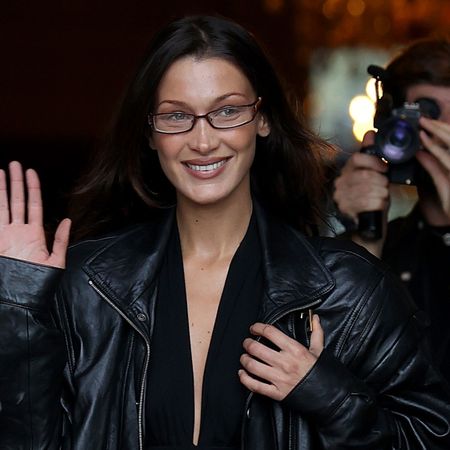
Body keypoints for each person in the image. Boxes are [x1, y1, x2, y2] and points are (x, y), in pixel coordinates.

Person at [1, 15, 449, 450]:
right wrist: (18, 311)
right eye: (177, 117)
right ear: (150, 133)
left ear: (263, 119)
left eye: (228, 111)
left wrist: (327, 395)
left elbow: (430, 437)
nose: (203, 141)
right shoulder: (89, 284)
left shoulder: (349, 289)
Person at [333, 38, 450, 382]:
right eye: (427, 115)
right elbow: (339, 369)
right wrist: (361, 244)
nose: (442, 135)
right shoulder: (387, 246)